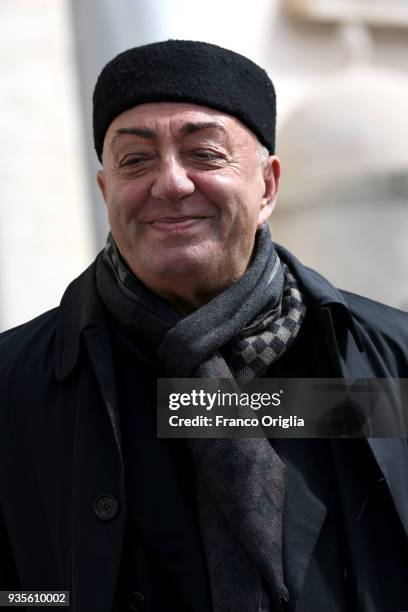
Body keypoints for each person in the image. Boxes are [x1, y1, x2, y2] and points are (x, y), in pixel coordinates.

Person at [0, 39, 407, 612]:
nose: (170, 183)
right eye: (135, 160)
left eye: (205, 154)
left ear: (267, 185)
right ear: (105, 191)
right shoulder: (15, 384)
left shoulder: (387, 363)